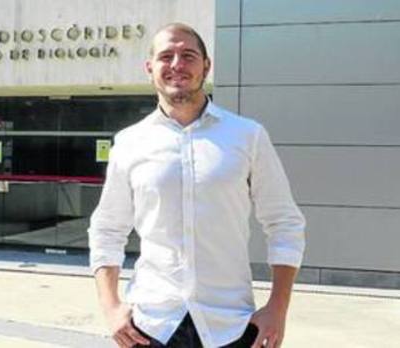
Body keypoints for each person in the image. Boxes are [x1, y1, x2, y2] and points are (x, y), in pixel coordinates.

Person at [88, 23, 305, 348]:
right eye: (166, 56)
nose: (177, 64)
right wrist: (111, 307)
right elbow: (107, 228)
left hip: (231, 326)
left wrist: (278, 308)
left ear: (206, 65)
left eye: (188, 55)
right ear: (150, 69)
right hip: (150, 326)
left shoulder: (247, 136)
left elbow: (284, 223)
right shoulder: (130, 143)